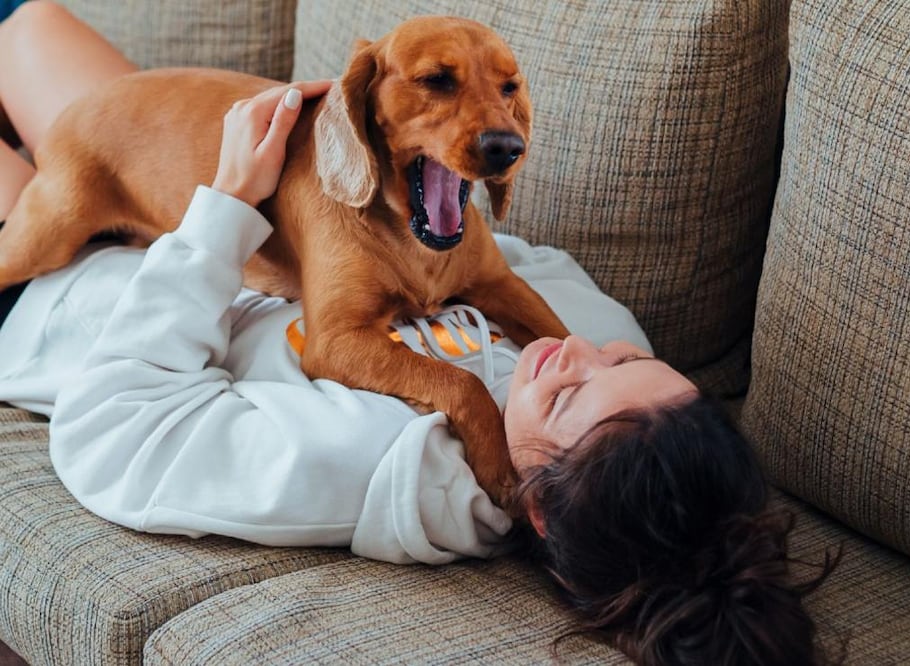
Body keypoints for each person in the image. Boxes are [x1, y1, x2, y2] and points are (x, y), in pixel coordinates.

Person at [0, 3, 835, 663]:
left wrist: (223, 205)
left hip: (66, 303)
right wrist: (352, 144)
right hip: (170, 158)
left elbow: (114, 428)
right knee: (29, 22)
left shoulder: (375, 466)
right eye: (626, 359)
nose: (579, 349)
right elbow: (510, 270)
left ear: (535, 504)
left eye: (576, 387)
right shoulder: (599, 348)